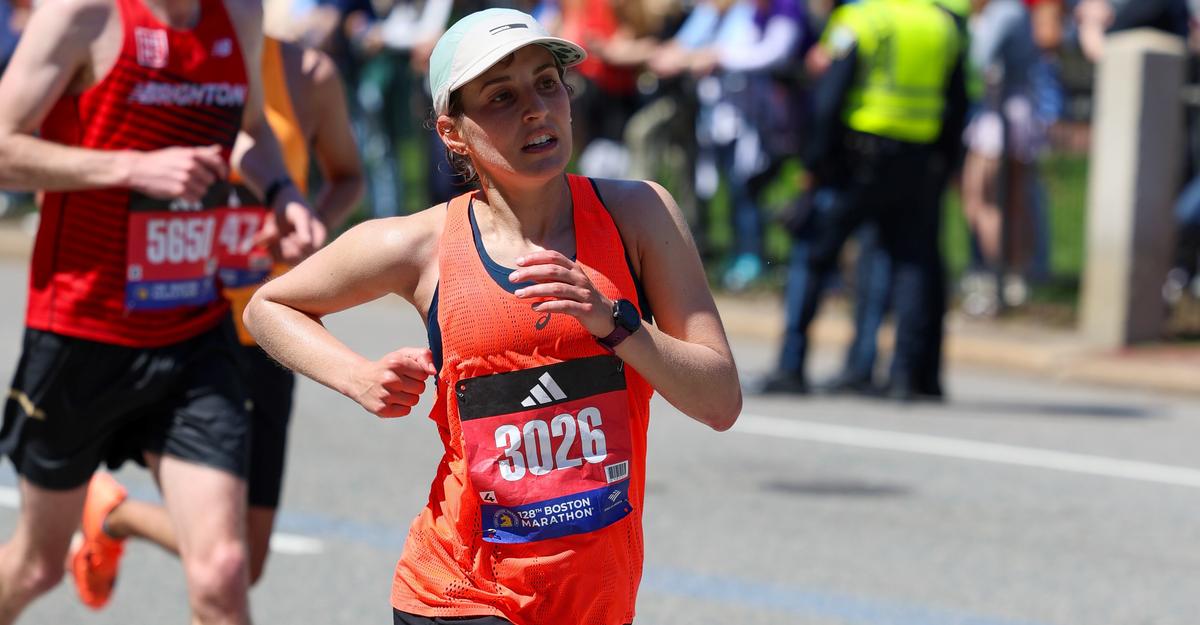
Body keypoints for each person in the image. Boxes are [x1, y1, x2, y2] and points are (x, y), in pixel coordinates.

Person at [243, 8, 742, 624]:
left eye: (547, 84)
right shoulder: (422, 246)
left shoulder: (638, 215)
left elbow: (719, 401)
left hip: (596, 600)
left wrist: (615, 321)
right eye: (502, 96)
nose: (536, 109)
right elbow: (270, 304)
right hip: (459, 593)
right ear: (453, 132)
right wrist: (356, 376)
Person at [0, 0, 325, 620]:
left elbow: (252, 130)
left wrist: (282, 194)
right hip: (79, 330)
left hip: (193, 334)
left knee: (224, 570)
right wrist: (132, 167)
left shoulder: (239, 14)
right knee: (36, 567)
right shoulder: (84, 16)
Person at [66, 34, 364, 609]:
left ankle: (114, 514)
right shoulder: (157, 57)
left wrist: (307, 224)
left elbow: (348, 175)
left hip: (264, 326)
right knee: (222, 564)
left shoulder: (309, 73)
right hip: (179, 331)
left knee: (243, 564)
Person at [760, 0, 967, 400]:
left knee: (812, 255)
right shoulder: (942, 24)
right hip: (918, 162)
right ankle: (903, 377)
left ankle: (792, 365)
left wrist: (814, 163)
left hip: (857, 160)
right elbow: (956, 103)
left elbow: (829, 97)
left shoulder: (860, 20)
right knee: (911, 266)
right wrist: (944, 163)